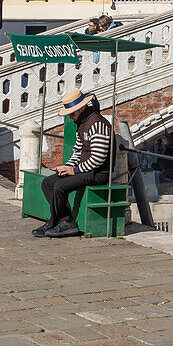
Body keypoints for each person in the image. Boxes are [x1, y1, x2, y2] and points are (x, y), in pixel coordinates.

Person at [33, 90, 115, 238]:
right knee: (48, 183)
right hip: (84, 170)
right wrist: (67, 168)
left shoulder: (97, 124)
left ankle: (60, 222)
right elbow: (78, 151)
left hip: (99, 173)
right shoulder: (82, 123)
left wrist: (74, 171)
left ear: (82, 108)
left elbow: (99, 158)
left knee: (60, 186)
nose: (70, 117)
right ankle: (63, 220)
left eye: (72, 113)